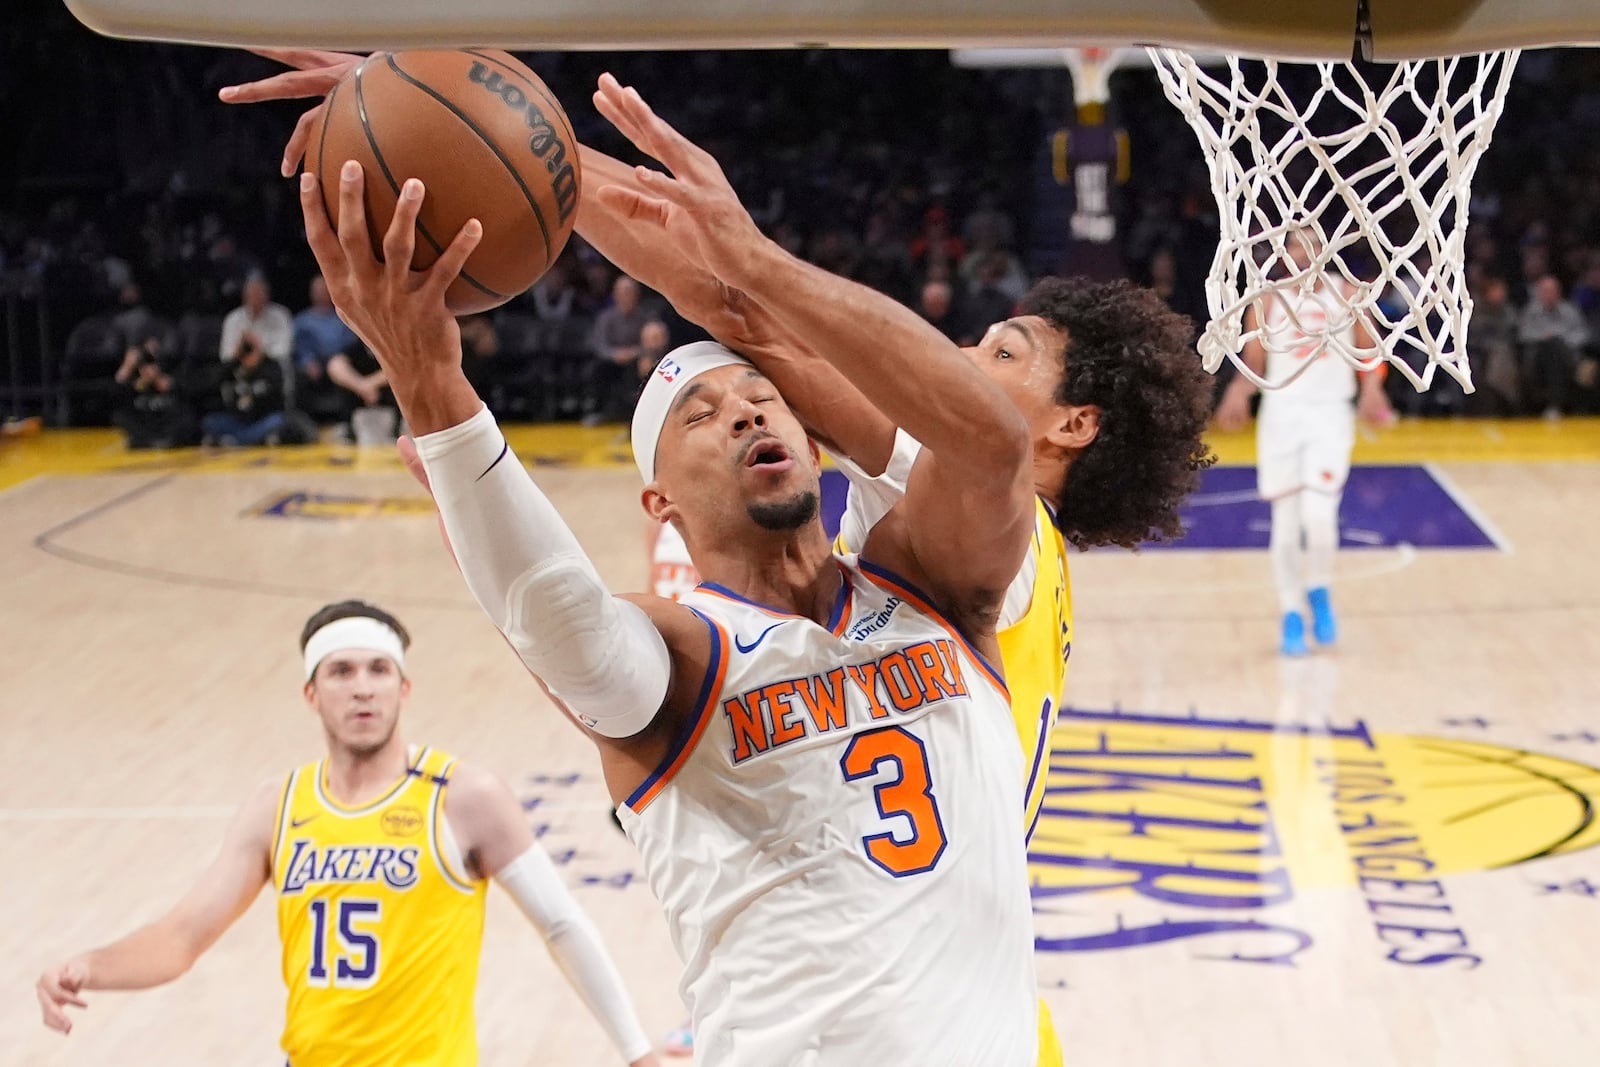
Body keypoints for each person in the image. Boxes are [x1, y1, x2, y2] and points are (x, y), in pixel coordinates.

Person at [221, 55, 1215, 1067]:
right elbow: (733, 311)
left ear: (1074, 425)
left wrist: (659, 214)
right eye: (703, 415)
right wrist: (513, 136)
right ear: (659, 496)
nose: (960, 355)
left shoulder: (986, 533)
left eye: (999, 351)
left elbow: (775, 317)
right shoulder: (717, 635)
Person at [36, 599, 659, 1067]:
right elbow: (182, 935)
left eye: (378, 670)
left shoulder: (464, 796)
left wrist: (636, 1050)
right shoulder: (276, 807)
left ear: (404, 687)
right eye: (340, 672)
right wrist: (90, 966)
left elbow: (562, 924)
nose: (362, 686)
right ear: (311, 693)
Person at [1214, 227, 1396, 656]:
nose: (1303, 252)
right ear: (1284, 253)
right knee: (1284, 525)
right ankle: (1291, 613)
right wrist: (1237, 393)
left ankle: (1318, 587)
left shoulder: (1348, 292)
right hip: (1282, 416)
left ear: (1325, 250)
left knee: (1318, 517)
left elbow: (1371, 353)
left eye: (1312, 244)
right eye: (1295, 245)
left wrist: (1372, 388)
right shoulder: (1266, 301)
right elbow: (1254, 364)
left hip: (1330, 413)